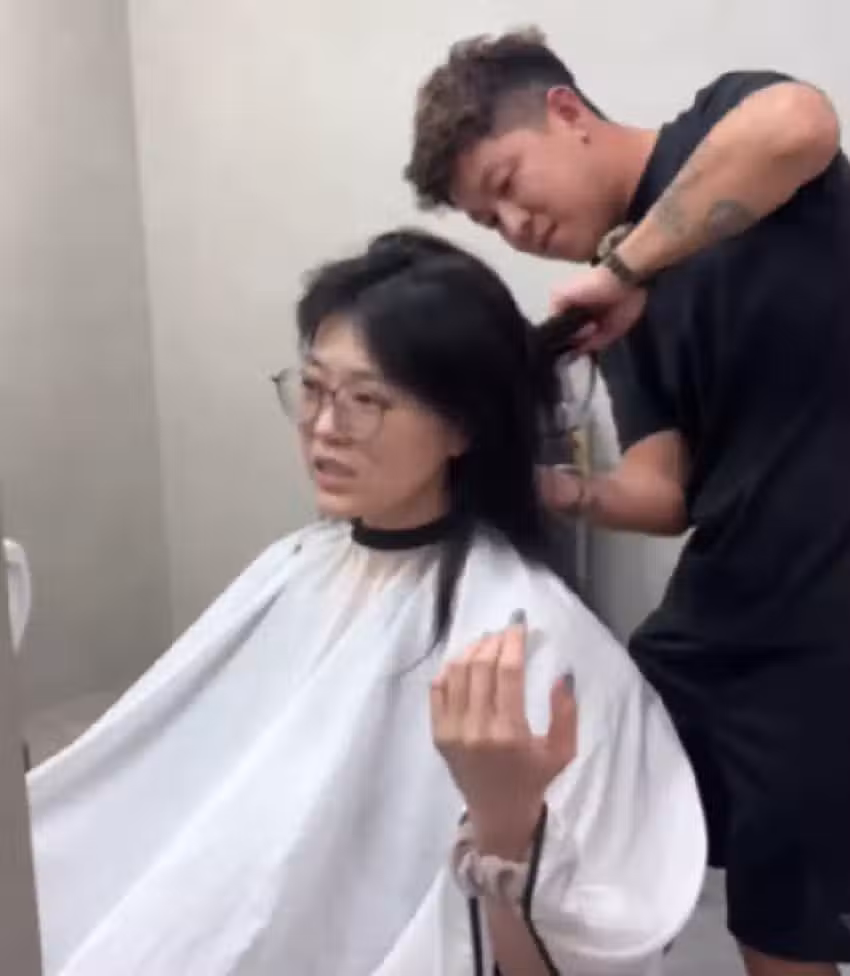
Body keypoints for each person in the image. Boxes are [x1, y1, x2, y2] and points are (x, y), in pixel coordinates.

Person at [27, 230, 705, 976]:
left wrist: (507, 825)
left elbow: (579, 956)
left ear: (461, 426)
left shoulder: (528, 636)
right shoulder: (293, 568)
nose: (323, 428)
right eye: (314, 389)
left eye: (365, 400)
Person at [405, 28, 850, 976]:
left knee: (782, 913)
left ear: (565, 112)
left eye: (508, 185)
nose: (515, 226)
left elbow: (802, 126)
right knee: (594, 753)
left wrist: (629, 266)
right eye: (490, 221)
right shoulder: (620, 322)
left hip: (827, 598)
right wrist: (535, 486)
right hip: (735, 595)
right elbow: (664, 491)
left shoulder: (719, 125)